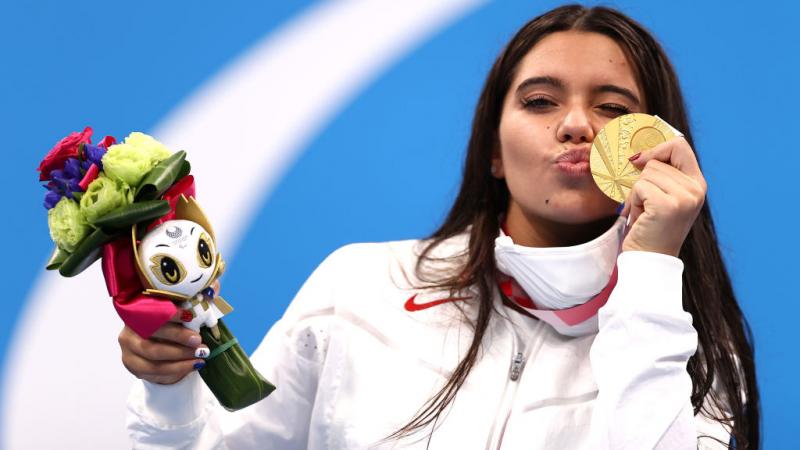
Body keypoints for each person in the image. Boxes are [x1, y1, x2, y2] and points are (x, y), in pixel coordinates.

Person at [118, 4, 760, 449]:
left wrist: (651, 268)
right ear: (492, 149)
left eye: (613, 109)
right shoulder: (362, 285)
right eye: (540, 101)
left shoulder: (694, 349)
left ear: (657, 147)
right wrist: (167, 392)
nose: (575, 125)